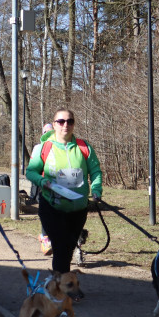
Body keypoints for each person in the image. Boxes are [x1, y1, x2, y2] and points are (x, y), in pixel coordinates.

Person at [25, 108, 103, 276]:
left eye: (70, 121)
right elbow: (30, 172)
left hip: (78, 209)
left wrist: (96, 189)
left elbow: (95, 171)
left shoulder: (84, 147)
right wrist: (42, 181)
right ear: (54, 125)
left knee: (67, 248)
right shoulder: (44, 147)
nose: (65, 125)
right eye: (60, 121)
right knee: (61, 247)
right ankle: (62, 290)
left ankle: (59, 285)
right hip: (52, 207)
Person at [31, 123, 55, 255]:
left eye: (51, 132)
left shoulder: (62, 145)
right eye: (47, 132)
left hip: (61, 184)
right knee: (46, 212)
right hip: (45, 184)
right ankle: (45, 237)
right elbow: (33, 167)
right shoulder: (38, 148)